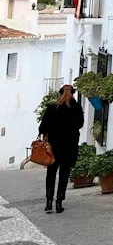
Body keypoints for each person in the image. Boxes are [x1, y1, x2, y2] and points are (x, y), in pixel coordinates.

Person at [38, 85, 84, 214]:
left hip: (53, 146)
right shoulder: (76, 108)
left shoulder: (52, 108)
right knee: (64, 173)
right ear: (73, 94)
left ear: (60, 93)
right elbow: (80, 124)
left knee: (51, 173)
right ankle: (59, 202)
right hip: (69, 146)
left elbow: (42, 127)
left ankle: (48, 202)